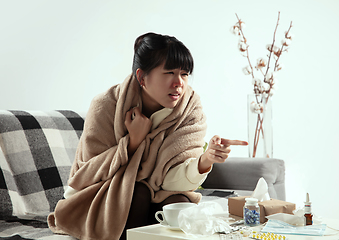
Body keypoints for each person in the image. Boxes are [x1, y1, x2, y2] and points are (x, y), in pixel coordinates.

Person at [47, 32, 247, 240]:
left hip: (160, 192)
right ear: (142, 77)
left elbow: (171, 182)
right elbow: (87, 175)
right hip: (99, 196)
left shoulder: (190, 109)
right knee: (138, 192)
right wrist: (132, 143)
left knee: (180, 202)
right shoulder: (106, 105)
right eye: (169, 72)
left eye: (185, 74)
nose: (179, 83)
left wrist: (205, 160)